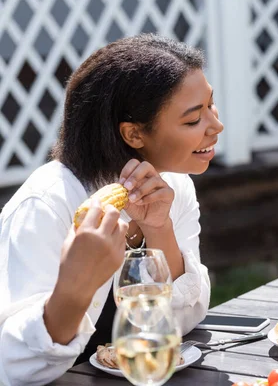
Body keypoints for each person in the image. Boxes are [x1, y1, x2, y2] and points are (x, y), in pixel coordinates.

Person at [0, 34, 222, 385]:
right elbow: (13, 365)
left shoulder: (174, 188)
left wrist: (159, 229)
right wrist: (75, 286)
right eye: (194, 119)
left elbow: (184, 321)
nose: (216, 126)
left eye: (211, 106)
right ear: (134, 134)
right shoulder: (46, 205)